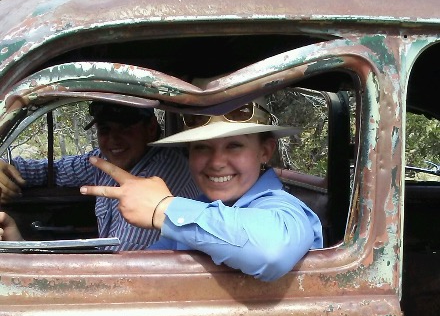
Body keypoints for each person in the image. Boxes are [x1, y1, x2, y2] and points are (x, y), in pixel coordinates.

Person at [79, 99, 323, 281]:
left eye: (234, 146)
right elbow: (147, 269)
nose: (216, 162)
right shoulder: (199, 208)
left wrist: (163, 208)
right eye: (202, 147)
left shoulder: (284, 208)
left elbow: (271, 251)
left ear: (265, 152)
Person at [0, 102, 199, 249]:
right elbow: (52, 170)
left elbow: (120, 267)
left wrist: (22, 249)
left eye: (125, 128)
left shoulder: (161, 172)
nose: (114, 139)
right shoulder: (105, 161)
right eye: (105, 130)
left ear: (151, 128)